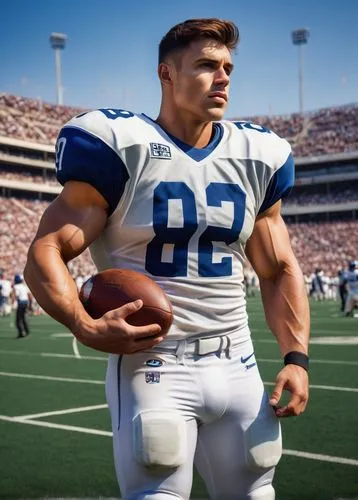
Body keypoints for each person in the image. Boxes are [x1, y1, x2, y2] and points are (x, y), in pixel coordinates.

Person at [25, 18, 310, 500]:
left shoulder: (257, 155)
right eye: (205, 65)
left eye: (227, 68)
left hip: (237, 359)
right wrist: (82, 322)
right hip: (153, 362)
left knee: (258, 492)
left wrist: (296, 357)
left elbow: (278, 267)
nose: (222, 77)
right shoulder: (123, 148)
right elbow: (45, 251)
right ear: (167, 74)